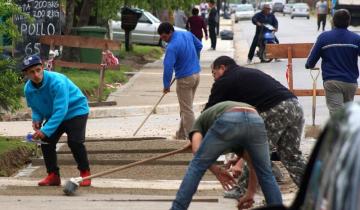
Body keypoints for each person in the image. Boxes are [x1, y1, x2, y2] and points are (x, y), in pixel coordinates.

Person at [205, 56, 306, 188]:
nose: (214, 78)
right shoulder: (246, 74)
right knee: (291, 156)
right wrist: (240, 156)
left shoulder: (224, 81)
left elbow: (209, 112)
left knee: (256, 152)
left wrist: (197, 134)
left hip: (276, 109)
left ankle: (241, 190)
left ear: (222, 68)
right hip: (295, 106)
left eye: (214, 73)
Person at [171, 101, 283, 210]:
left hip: (230, 117)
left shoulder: (199, 123)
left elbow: (197, 151)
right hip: (255, 119)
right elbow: (253, 164)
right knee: (265, 172)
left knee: (196, 165)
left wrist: (216, 171)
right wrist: (250, 192)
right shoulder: (218, 119)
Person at [22, 54, 91, 187]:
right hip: (56, 114)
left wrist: (45, 130)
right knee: (46, 142)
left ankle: (85, 173)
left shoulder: (57, 81)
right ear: (26, 74)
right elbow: (36, 107)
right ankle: (53, 176)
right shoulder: (28, 89)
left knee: (75, 142)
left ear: (42, 67)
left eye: (38, 70)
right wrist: (37, 119)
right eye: (31, 72)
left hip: (75, 110)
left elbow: (61, 110)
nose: (36, 75)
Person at [306, 9, 360, 116]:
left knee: (337, 114)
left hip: (332, 81)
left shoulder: (324, 37)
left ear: (333, 21)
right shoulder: (356, 38)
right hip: (350, 82)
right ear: (348, 22)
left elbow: (311, 61)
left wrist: (309, 65)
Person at [157, 22, 202, 140]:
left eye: (165, 37)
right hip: (196, 75)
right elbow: (199, 46)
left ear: (170, 32)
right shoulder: (187, 34)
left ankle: (193, 138)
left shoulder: (171, 47)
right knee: (186, 107)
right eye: (161, 38)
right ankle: (181, 135)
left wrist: (166, 85)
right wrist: (192, 59)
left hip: (185, 79)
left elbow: (168, 67)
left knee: (187, 109)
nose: (164, 40)